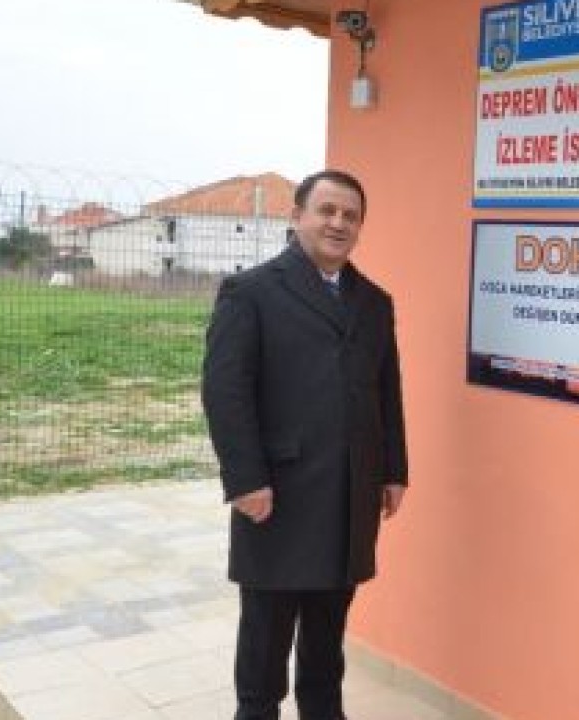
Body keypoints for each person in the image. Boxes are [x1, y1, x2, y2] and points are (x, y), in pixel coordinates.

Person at [202, 169, 408, 720]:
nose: (338, 223)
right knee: (265, 648)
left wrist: (393, 471)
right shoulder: (251, 293)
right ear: (297, 217)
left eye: (351, 216)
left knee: (325, 644)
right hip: (276, 497)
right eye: (327, 211)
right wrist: (245, 480)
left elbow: (387, 392)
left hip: (349, 498)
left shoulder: (374, 302)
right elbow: (225, 392)